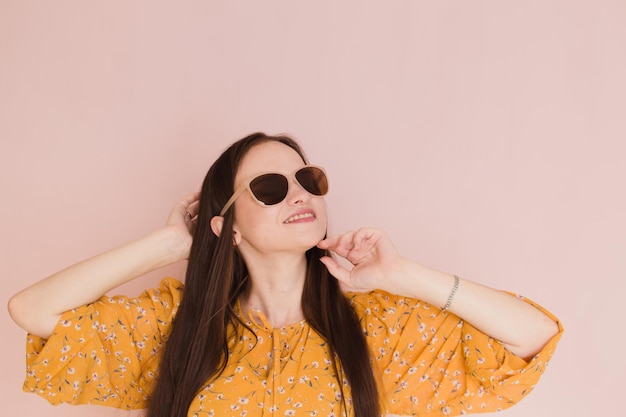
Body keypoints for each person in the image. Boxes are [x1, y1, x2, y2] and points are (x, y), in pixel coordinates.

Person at [8, 132, 562, 417]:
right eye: (271, 188)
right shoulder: (178, 326)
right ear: (230, 226)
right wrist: (170, 244)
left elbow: (532, 335)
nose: (298, 193)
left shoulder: (377, 330)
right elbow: (32, 311)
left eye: (306, 179)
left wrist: (402, 275)